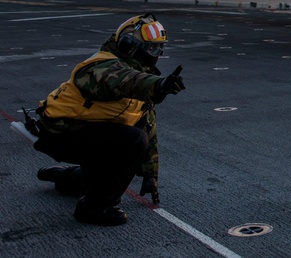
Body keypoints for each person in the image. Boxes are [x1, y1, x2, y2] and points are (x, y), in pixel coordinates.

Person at [32, 14, 186, 226]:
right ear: (128, 44)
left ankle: (66, 179)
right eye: (151, 48)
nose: (156, 55)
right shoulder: (102, 66)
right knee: (132, 140)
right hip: (60, 132)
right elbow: (123, 80)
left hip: (84, 134)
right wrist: (157, 86)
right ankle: (94, 207)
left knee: (112, 158)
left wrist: (150, 174)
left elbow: (147, 124)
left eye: (159, 49)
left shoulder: (138, 75)